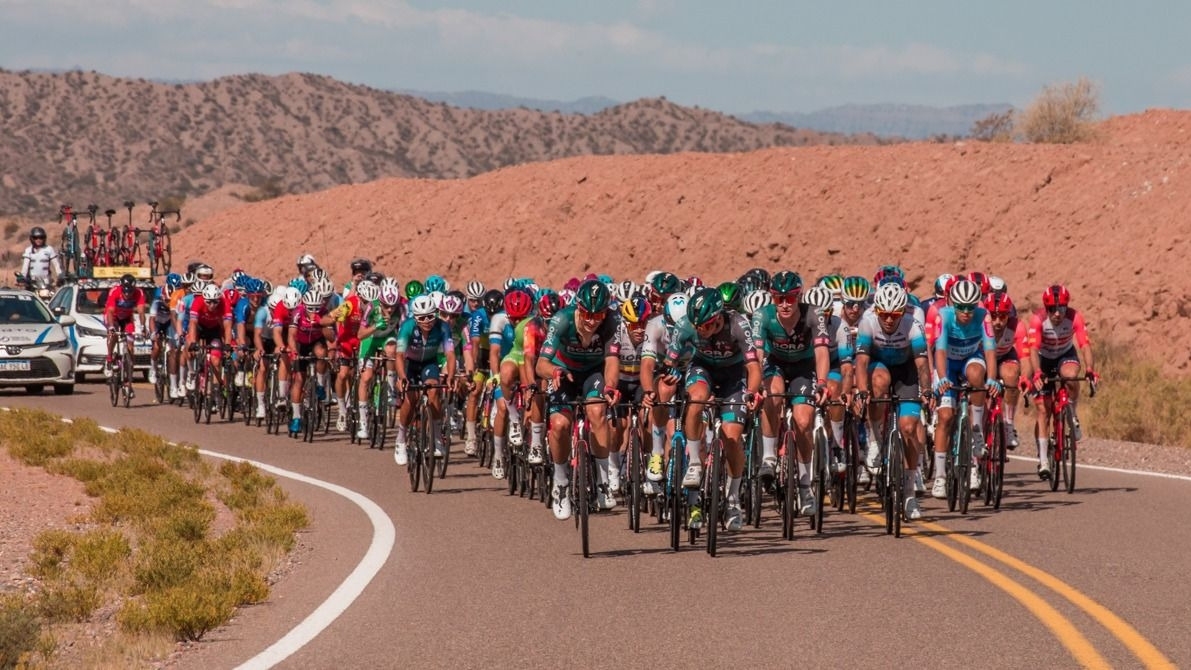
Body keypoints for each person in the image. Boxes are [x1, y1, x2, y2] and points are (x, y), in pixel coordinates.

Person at [1027, 284, 1098, 479]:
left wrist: (1090, 369)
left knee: (1071, 376)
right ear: (1046, 308)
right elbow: (1032, 349)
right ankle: (1042, 460)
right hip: (1043, 358)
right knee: (1043, 409)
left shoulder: (1075, 317)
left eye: (1061, 309)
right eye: (1052, 309)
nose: (1057, 314)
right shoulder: (1038, 320)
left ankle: (1072, 416)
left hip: (1065, 354)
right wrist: (1037, 373)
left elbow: (1084, 344)